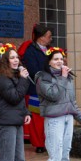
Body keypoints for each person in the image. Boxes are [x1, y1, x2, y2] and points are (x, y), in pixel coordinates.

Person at [20, 24, 53, 153]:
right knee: (37, 118)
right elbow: (33, 70)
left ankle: (48, 142)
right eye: (48, 36)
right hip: (36, 88)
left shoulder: (51, 50)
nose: (50, 39)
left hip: (50, 88)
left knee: (49, 118)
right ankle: (39, 143)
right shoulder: (30, 51)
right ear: (41, 38)